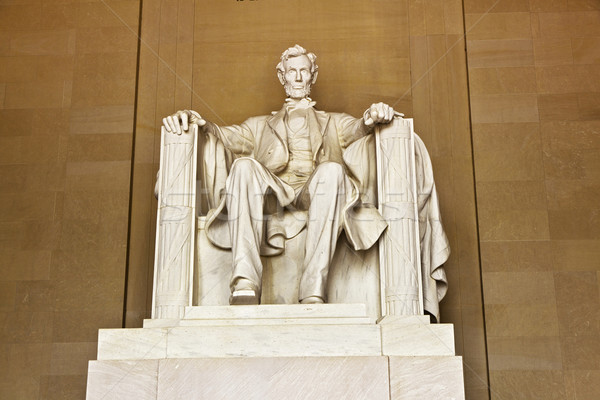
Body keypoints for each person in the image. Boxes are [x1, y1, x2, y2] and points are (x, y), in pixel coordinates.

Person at [162, 44, 396, 305]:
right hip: (274, 194)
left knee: (332, 170)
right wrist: (197, 121)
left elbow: (358, 128)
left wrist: (372, 116)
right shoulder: (258, 125)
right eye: (292, 71)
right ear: (281, 76)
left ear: (313, 76)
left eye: (304, 71)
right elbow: (223, 135)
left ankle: (313, 290)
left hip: (318, 191)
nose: (297, 77)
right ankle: (245, 283)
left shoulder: (334, 121)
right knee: (243, 166)